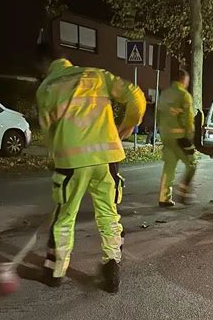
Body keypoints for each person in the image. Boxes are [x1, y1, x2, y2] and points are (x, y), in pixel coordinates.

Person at [36, 44, 146, 292]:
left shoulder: (47, 88)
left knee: (64, 218)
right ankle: (111, 266)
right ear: (66, 59)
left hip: (71, 163)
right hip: (107, 159)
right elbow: (136, 96)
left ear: (44, 64)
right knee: (109, 214)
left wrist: (56, 156)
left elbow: (49, 133)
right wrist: (127, 127)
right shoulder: (96, 75)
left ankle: (56, 272)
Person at [157, 69, 197, 207]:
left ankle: (164, 198)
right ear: (183, 80)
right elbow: (188, 119)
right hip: (180, 137)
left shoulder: (164, 94)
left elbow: (159, 114)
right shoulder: (184, 95)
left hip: (165, 136)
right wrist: (189, 136)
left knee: (169, 166)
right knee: (192, 163)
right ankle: (183, 192)